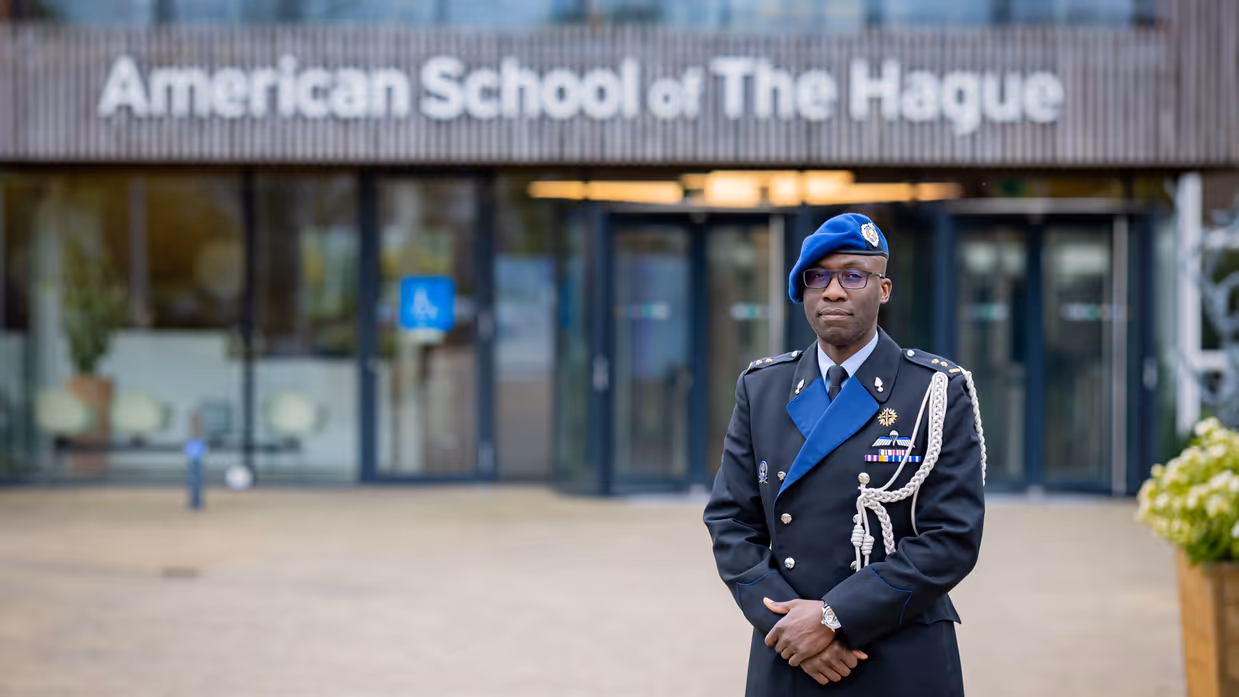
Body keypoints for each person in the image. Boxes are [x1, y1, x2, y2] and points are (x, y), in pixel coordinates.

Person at [703, 212, 987, 696]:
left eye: (853, 274)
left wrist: (834, 618)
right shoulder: (763, 388)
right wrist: (794, 629)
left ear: (884, 289)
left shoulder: (935, 391)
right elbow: (731, 522)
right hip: (789, 651)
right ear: (802, 290)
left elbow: (952, 538)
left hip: (899, 652)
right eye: (818, 276)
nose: (833, 291)